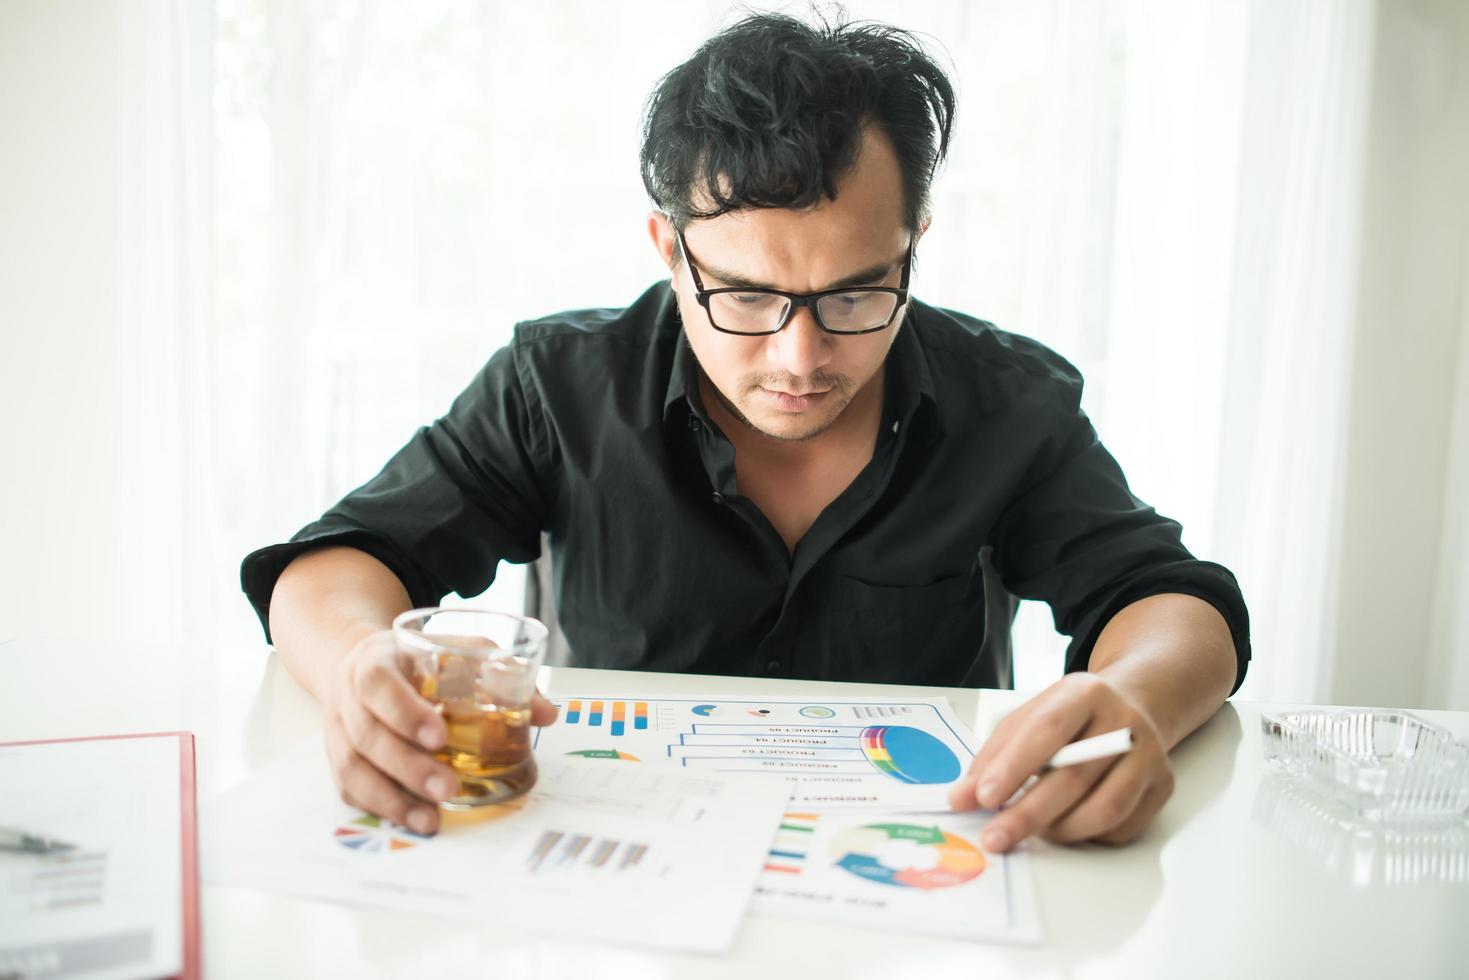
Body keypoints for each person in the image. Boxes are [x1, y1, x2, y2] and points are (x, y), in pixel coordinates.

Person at [241, 12, 1249, 855]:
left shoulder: (1007, 400)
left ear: (913, 246)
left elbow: (1168, 598)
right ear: (668, 250)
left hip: (921, 875)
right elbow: (335, 565)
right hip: (614, 871)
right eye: (744, 295)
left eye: (856, 292)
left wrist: (1132, 700)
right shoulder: (559, 386)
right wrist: (360, 665)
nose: (800, 357)